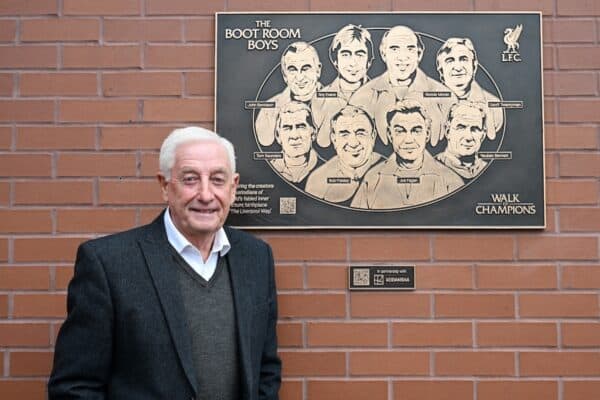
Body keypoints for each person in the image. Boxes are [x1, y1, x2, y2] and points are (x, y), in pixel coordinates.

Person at [48, 127, 281, 400]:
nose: (206, 195)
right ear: (164, 186)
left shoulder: (255, 258)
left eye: (217, 180)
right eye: (190, 179)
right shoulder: (108, 264)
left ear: (233, 188)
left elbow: (266, 370)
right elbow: (75, 387)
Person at [350, 25, 450, 148]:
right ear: (383, 54)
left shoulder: (445, 98)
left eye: (410, 49)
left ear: (419, 54)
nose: (402, 57)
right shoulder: (360, 98)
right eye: (394, 49)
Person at [352, 100, 463, 209]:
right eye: (400, 131)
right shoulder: (371, 179)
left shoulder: (451, 182)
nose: (408, 140)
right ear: (390, 135)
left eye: (416, 130)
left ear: (427, 134)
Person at [306, 105, 381, 204]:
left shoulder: (388, 169)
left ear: (373, 136)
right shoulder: (317, 180)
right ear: (334, 139)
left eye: (360, 133)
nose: (353, 143)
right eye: (344, 134)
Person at [255, 41, 323, 147]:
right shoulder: (268, 110)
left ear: (318, 70)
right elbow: (264, 142)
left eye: (305, 69)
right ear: (285, 75)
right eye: (293, 70)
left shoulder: (338, 103)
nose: (300, 77)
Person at [316, 24, 374, 147]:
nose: (353, 63)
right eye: (346, 54)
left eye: (360, 54)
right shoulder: (319, 99)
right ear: (335, 60)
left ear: (369, 61)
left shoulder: (382, 96)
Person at [436, 37, 503, 138]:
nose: (458, 67)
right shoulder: (429, 102)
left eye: (463, 59)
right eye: (450, 60)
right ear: (441, 70)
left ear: (474, 66)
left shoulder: (493, 105)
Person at [270, 101, 320, 187]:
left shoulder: (327, 170)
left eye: (301, 127)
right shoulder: (268, 169)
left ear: (313, 133)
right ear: (278, 135)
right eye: (287, 128)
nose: (294, 136)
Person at [436, 101, 489, 180]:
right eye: (461, 127)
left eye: (475, 129)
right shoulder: (431, 168)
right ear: (447, 131)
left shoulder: (488, 170)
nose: (468, 137)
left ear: (483, 136)